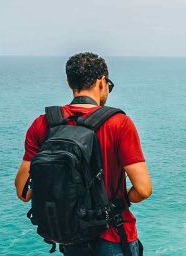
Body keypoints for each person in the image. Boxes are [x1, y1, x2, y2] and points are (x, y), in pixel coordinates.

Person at [14, 52, 152, 256]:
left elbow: (23, 192)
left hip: (70, 236)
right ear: (102, 81)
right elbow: (143, 189)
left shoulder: (43, 124)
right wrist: (119, 202)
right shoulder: (119, 123)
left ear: (69, 83)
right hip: (113, 236)